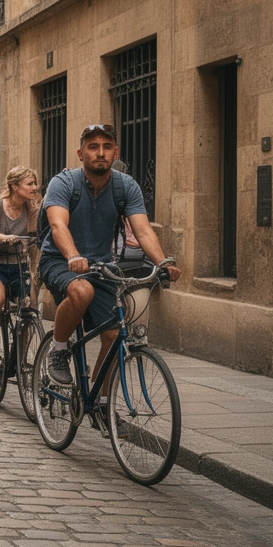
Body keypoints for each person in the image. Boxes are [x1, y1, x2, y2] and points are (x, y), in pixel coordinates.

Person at [40, 124, 180, 387]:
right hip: (59, 260)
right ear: (81, 153)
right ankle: (58, 350)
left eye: (107, 147)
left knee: (115, 336)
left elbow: (143, 230)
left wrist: (162, 262)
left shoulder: (125, 186)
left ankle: (101, 401)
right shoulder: (64, 183)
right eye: (93, 147)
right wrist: (73, 256)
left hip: (101, 266)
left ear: (116, 153)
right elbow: (58, 225)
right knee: (82, 292)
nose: (100, 153)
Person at [0, 167, 42, 365]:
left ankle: (18, 358)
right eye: (29, 184)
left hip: (18, 266)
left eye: (35, 183)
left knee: (30, 309)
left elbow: (36, 234)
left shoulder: (32, 208)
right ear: (14, 186)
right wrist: (4, 238)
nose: (35, 187)